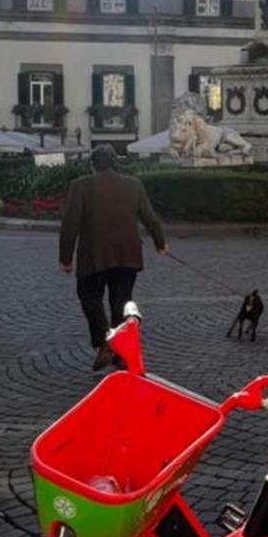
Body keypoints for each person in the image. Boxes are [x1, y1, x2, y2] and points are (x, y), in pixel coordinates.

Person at [59, 144, 169, 369]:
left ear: (92, 165)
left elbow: (70, 223)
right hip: (127, 252)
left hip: (93, 254)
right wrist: (160, 243)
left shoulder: (80, 186)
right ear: (115, 163)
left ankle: (104, 341)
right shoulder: (134, 185)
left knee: (89, 296)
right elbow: (150, 218)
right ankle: (119, 350)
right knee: (121, 300)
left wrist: (65, 257)